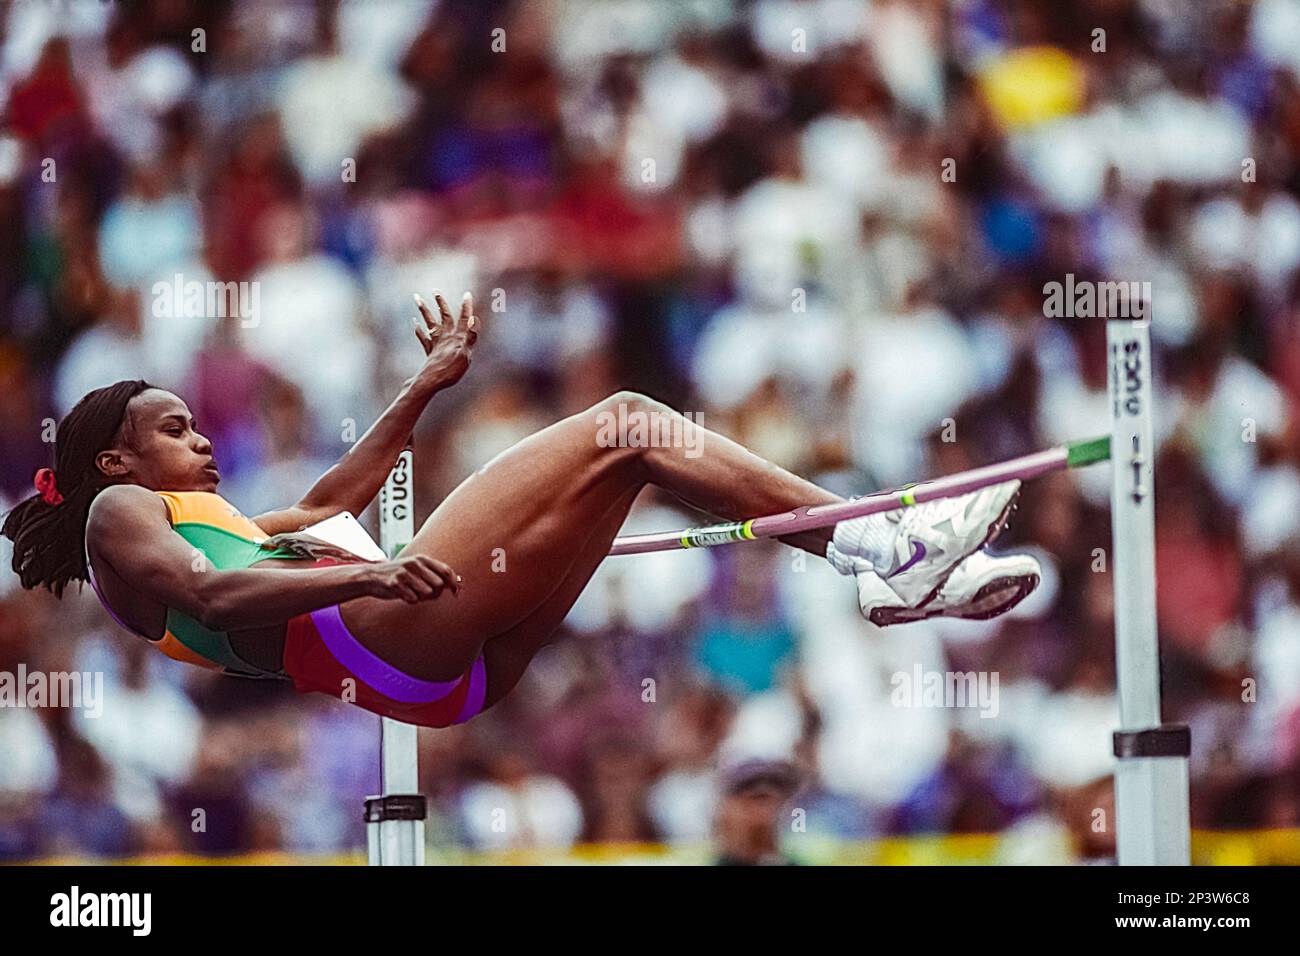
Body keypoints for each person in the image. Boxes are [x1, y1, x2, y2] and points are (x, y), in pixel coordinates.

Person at [3, 291, 1041, 729]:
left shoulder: (197, 514)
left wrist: (423, 386)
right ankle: (881, 540)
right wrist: (368, 572)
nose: (201, 440)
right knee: (629, 420)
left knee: (634, 466)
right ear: (115, 456)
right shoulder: (120, 517)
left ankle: (877, 561)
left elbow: (325, 502)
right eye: (178, 427)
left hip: (432, 669)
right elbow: (214, 595)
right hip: (378, 627)